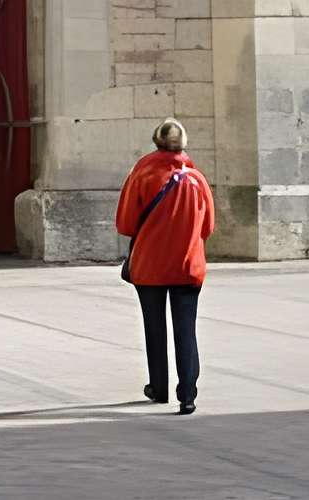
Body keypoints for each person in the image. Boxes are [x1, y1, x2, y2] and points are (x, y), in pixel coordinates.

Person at [115, 117, 215, 414]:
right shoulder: (196, 179)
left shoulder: (142, 174)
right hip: (187, 265)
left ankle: (158, 388)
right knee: (186, 329)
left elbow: (125, 223)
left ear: (156, 142)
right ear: (183, 145)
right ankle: (188, 394)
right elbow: (208, 226)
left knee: (154, 326)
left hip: (149, 265)